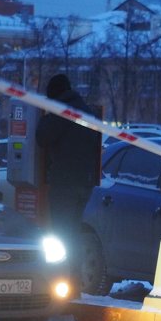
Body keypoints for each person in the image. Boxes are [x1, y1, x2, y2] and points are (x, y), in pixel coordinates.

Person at [35, 74, 101, 275]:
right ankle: (73, 278)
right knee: (73, 231)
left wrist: (45, 115)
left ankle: (61, 276)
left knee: (61, 233)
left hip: (65, 183)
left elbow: (42, 137)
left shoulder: (61, 112)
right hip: (85, 183)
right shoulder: (86, 111)